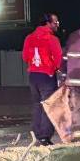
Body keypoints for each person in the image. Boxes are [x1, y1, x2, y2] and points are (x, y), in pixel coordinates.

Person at [22, 13, 62, 145]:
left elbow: (25, 57)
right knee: (49, 105)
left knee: (37, 105)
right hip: (47, 76)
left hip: (33, 75)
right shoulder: (52, 39)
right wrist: (54, 68)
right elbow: (59, 59)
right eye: (55, 22)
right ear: (47, 23)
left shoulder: (29, 38)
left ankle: (36, 134)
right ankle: (45, 136)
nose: (57, 24)